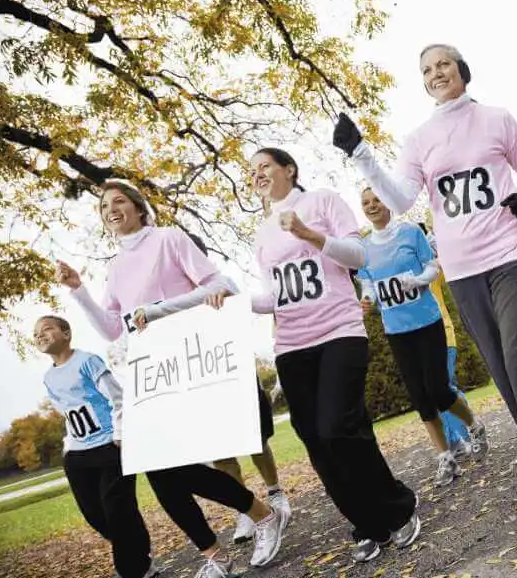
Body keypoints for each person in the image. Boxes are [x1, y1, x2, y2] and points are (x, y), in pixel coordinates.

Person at [334, 43, 517, 520]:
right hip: (464, 270)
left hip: (512, 253)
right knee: (505, 371)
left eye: (443, 64)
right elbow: (404, 198)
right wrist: (362, 154)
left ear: (462, 70)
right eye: (426, 69)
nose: (435, 73)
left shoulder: (496, 118)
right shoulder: (419, 138)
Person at [55, 180, 287, 577]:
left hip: (192, 361)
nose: (111, 209)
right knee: (159, 469)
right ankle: (220, 551)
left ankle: (261, 514)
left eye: (119, 201)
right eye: (104, 206)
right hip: (151, 374)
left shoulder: (169, 239)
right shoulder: (114, 266)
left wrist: (158, 311)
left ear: (139, 207)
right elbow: (113, 329)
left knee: (171, 468)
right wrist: (79, 292)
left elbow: (220, 286)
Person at [208, 148, 420, 563]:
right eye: (252, 172)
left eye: (264, 166)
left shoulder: (322, 201)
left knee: (338, 427)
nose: (257, 175)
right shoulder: (263, 232)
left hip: (339, 331)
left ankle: (397, 508)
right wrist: (237, 300)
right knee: (319, 442)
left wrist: (310, 235)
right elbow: (275, 296)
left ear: (289, 168)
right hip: (292, 346)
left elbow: (359, 258)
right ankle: (365, 523)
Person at [357, 188, 488, 487]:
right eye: (366, 203)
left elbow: (433, 266)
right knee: (420, 397)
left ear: (389, 201)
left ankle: (474, 425)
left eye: (377, 199)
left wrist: (416, 280)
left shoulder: (410, 233)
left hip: (427, 322)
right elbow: (369, 285)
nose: (372, 206)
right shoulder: (364, 248)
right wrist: (367, 300)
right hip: (396, 330)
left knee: (439, 390)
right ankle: (446, 457)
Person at [184, 234, 292, 545]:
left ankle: (276, 493)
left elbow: (242, 310)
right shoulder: (171, 298)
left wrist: (225, 298)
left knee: (256, 441)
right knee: (221, 451)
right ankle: (244, 508)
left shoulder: (221, 282)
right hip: (202, 382)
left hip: (237, 374)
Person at [35, 314, 157, 578]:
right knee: (95, 515)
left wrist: (121, 434)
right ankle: (141, 556)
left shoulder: (87, 361)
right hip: (78, 456)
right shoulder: (48, 378)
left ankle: (130, 570)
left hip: (109, 446)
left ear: (66, 333)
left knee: (117, 510)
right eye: (36, 334)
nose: (40, 335)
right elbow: (67, 413)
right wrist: (68, 447)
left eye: (47, 329)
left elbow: (118, 397)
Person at [416, 223, 473, 458]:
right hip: (415, 340)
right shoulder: (400, 273)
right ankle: (456, 440)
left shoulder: (432, 269)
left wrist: (426, 233)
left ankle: (465, 437)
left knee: (443, 388)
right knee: (433, 391)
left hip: (442, 335)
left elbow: (442, 252)